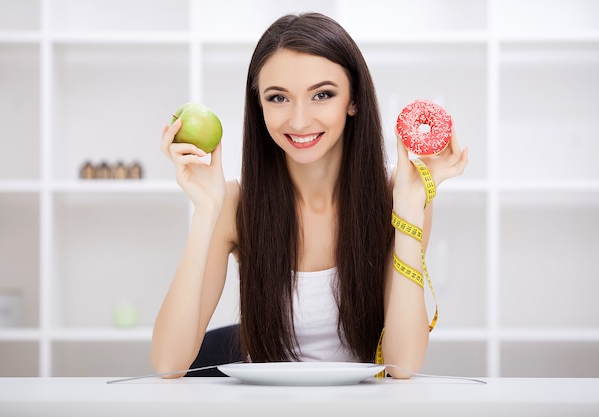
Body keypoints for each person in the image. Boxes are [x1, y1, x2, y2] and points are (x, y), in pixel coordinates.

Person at [152, 12, 468, 379]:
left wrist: (411, 208)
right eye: (278, 98)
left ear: (354, 100)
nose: (299, 121)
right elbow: (168, 363)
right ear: (259, 107)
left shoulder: (397, 198)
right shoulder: (235, 205)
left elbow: (403, 365)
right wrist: (206, 210)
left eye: (322, 94)